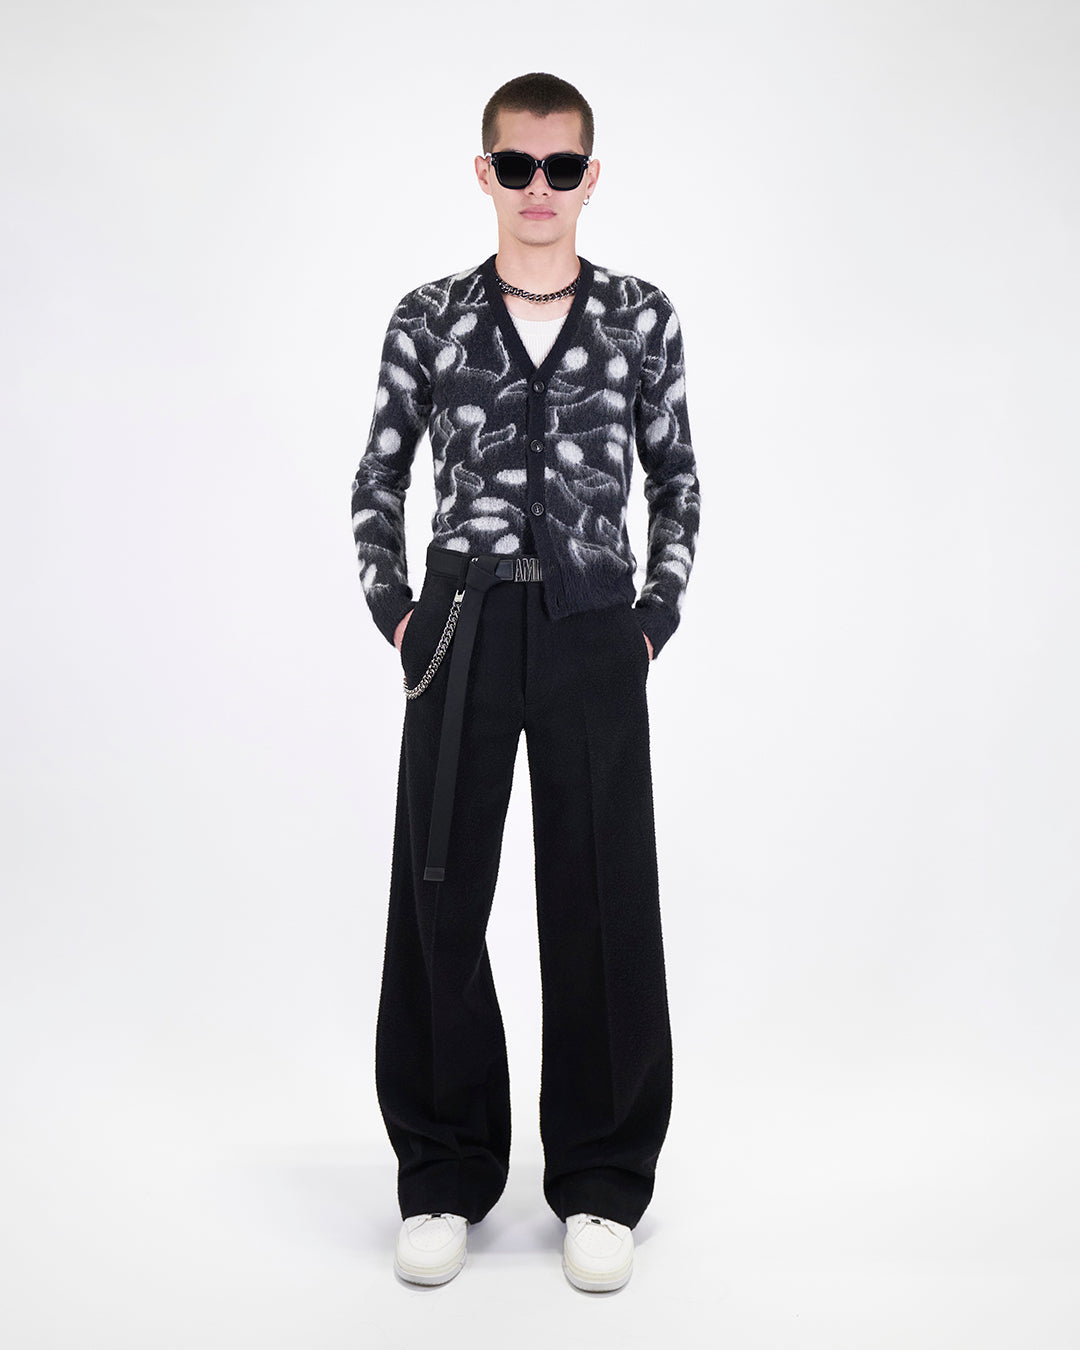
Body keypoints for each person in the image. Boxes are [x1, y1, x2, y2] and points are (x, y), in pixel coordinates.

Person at [350, 71, 700, 1292]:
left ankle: (601, 1180)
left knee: (603, 897)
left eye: (560, 168)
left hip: (596, 628)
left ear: (589, 178)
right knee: (439, 894)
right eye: (517, 166)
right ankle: (443, 1171)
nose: (537, 188)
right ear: (485, 173)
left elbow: (678, 480)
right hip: (460, 624)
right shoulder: (431, 315)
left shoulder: (641, 316)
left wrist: (651, 620)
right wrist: (400, 613)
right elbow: (378, 477)